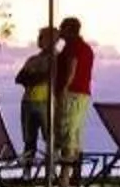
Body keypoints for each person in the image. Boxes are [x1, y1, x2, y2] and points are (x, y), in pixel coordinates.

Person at [52, 15, 97, 171]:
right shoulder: (79, 47)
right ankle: (73, 175)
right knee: (74, 131)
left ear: (69, 30)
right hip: (81, 94)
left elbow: (72, 66)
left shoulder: (73, 46)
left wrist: (64, 88)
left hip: (72, 93)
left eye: (62, 28)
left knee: (67, 131)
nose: (60, 31)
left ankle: (65, 176)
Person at [14, 27, 60, 165]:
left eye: (42, 37)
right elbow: (19, 78)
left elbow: (48, 76)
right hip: (28, 102)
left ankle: (51, 171)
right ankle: (27, 171)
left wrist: (32, 76)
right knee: (29, 140)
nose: (38, 40)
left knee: (50, 138)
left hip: (46, 102)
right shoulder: (33, 59)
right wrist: (35, 77)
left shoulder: (56, 58)